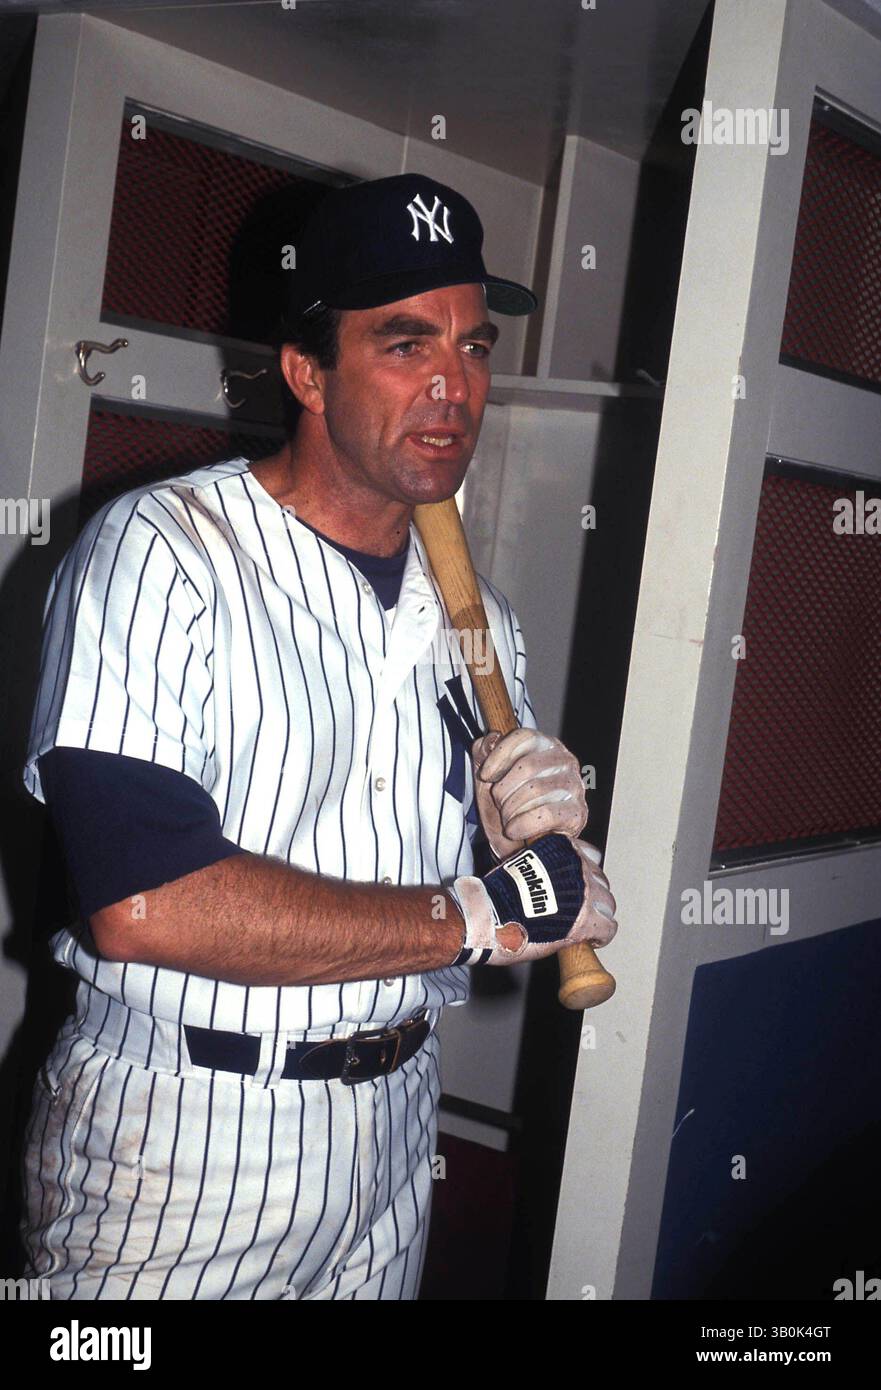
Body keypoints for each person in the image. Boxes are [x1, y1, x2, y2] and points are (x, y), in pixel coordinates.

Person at [19, 173, 617, 1300]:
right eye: (402, 344)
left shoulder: (482, 618)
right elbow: (143, 904)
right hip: (182, 1145)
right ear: (304, 370)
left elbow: (483, 903)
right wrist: (475, 916)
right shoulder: (162, 551)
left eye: (474, 346)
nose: (453, 387)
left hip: (395, 1122)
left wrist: (519, 857)